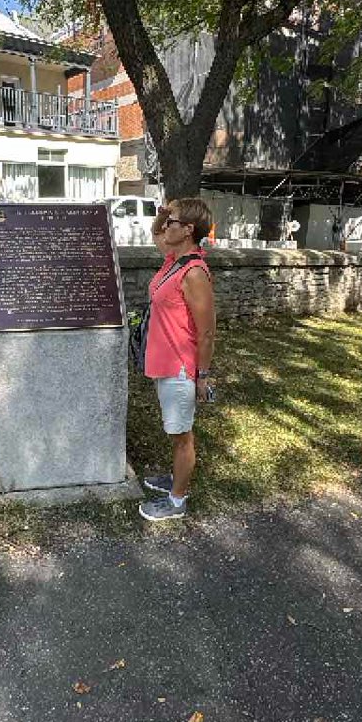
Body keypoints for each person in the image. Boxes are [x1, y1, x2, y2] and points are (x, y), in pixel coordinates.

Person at [139, 197, 216, 522]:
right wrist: (163, 214)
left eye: (172, 222)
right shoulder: (174, 261)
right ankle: (176, 479)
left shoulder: (194, 272)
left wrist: (202, 376)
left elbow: (207, 332)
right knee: (175, 431)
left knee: (182, 435)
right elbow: (155, 234)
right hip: (164, 362)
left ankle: (177, 500)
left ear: (187, 230)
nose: (165, 227)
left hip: (181, 367)